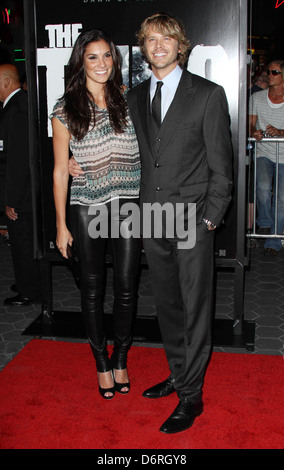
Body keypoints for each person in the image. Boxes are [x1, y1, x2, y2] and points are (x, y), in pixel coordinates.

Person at [70, 13, 233, 432]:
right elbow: (107, 138)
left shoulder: (208, 95)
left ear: (182, 46)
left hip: (194, 219)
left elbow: (222, 167)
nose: (158, 45)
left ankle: (191, 397)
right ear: (142, 48)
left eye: (167, 39)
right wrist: (76, 162)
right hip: (152, 219)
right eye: (150, 39)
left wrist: (211, 219)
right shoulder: (134, 96)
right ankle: (179, 375)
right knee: (167, 307)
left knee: (195, 310)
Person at [51, 30, 141, 400]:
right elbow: (59, 169)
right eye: (93, 57)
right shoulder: (64, 108)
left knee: (126, 285)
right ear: (80, 62)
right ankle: (101, 361)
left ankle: (120, 357)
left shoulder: (128, 100)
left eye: (107, 56)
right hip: (88, 204)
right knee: (92, 288)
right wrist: (60, 224)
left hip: (130, 204)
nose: (102, 63)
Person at [0, 64, 41, 306]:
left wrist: (11, 200)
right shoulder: (20, 105)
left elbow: (18, 161)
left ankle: (29, 291)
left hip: (21, 196)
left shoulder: (16, 111)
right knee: (23, 242)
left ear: (6, 82)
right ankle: (27, 282)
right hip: (25, 193)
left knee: (22, 243)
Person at [249, 59, 284, 255]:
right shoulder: (257, 98)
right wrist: (254, 133)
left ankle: (274, 241)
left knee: (281, 199)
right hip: (264, 152)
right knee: (262, 187)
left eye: (275, 72)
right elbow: (249, 125)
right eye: (268, 72)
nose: (269, 75)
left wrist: (281, 132)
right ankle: (265, 222)